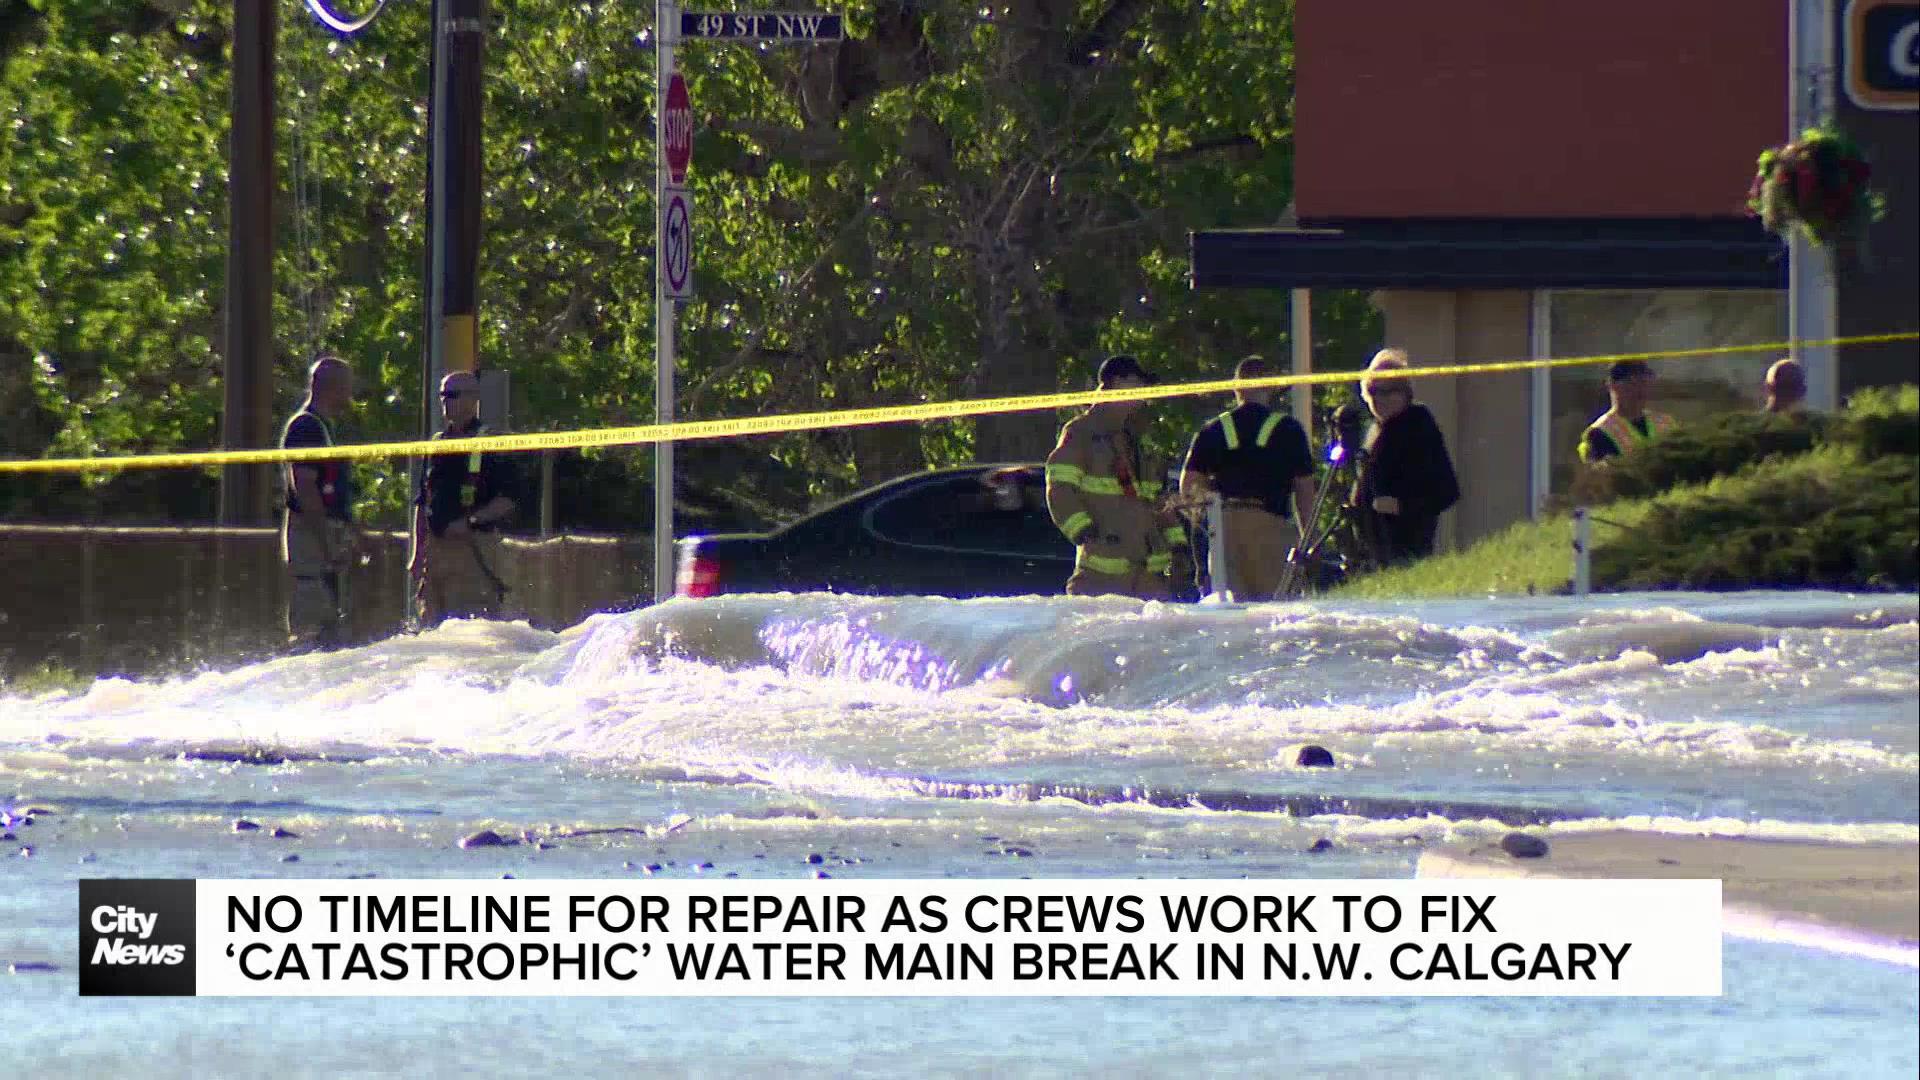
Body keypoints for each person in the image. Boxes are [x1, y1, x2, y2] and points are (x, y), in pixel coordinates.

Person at [1045, 355, 1187, 599]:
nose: (1143, 392)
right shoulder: (1082, 433)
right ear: (1117, 383)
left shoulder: (1141, 439)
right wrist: (1085, 533)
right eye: (1137, 383)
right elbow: (1059, 489)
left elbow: (1158, 500)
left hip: (1149, 581)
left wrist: (1178, 546)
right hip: (1101, 579)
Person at [1177, 355, 1316, 600]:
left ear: (1236, 387)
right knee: (1274, 610)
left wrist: (1207, 526)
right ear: (1270, 386)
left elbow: (1188, 486)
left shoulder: (1214, 429)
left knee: (1230, 611)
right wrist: (1310, 541)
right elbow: (1305, 492)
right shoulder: (1288, 430)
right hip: (1270, 529)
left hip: (1223, 530)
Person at [410, 371, 521, 627]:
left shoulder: (490, 441)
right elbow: (422, 501)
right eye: (442, 395)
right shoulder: (437, 444)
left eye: (452, 395)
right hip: (435, 554)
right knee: (430, 629)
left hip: (473, 548)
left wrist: (470, 521)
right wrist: (417, 554)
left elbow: (509, 499)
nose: (445, 402)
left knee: (470, 628)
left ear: (473, 399)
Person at [280, 354, 375, 651]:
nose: (350, 394)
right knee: (312, 624)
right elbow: (305, 487)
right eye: (346, 386)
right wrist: (324, 541)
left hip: (328, 537)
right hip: (312, 540)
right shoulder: (306, 427)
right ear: (331, 387)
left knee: (334, 624)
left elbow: (333, 494)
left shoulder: (324, 427)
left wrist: (353, 534)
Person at [1348, 349, 1460, 566]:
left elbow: (1447, 492)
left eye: (1390, 391)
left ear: (1405, 392)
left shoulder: (1418, 424)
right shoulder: (1373, 431)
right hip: (1371, 554)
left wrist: (1401, 506)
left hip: (1406, 552)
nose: (1380, 399)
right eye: (1373, 391)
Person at [1579, 359, 1677, 464]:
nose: (1639, 391)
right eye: (1631, 384)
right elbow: (1599, 476)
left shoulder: (1666, 423)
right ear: (1611, 385)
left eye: (1644, 383)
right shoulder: (1599, 432)